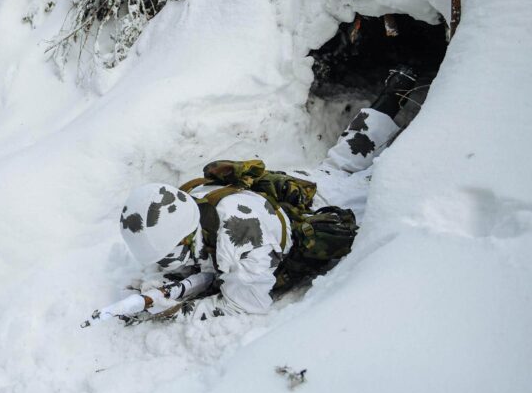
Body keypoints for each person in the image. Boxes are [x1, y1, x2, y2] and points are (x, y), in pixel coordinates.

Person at [117, 68, 417, 321]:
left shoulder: (240, 240)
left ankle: (430, 135)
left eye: (170, 256)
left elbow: (244, 305)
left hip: (330, 205)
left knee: (385, 178)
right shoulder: (193, 202)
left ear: (184, 235)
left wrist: (178, 312)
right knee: (344, 160)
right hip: (304, 185)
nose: (169, 263)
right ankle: (394, 95)